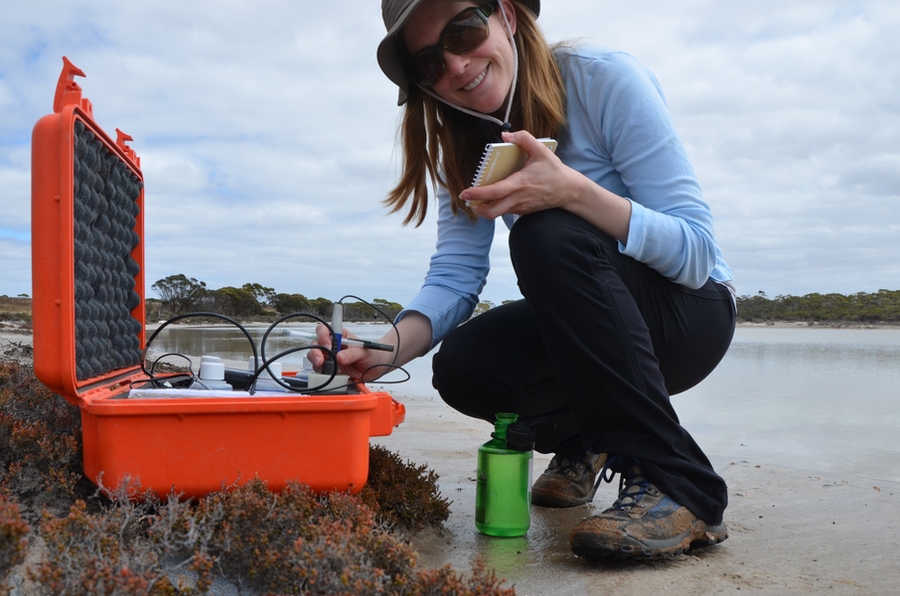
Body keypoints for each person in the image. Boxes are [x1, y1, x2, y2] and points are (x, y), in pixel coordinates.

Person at [312, 0, 736, 559]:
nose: (457, 66)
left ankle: (679, 484)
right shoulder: (462, 143)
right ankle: (586, 442)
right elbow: (455, 277)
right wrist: (384, 351)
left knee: (546, 232)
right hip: (594, 330)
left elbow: (698, 254)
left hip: (688, 315)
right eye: (429, 63)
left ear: (508, 15)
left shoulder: (604, 78)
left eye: (464, 31)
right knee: (465, 367)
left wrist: (575, 193)